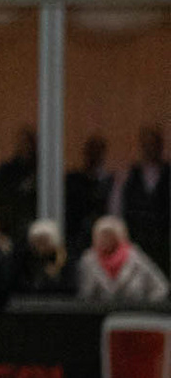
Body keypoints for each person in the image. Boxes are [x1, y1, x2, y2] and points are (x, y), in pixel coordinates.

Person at [78, 215, 170, 304]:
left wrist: (147, 308)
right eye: (101, 235)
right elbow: (84, 295)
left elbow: (161, 287)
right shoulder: (88, 260)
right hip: (101, 316)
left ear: (117, 236)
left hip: (132, 315)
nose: (104, 239)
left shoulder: (135, 258)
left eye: (108, 235)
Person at [116, 126, 169, 266]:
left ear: (160, 146)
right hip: (136, 238)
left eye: (154, 144)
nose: (151, 149)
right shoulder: (130, 174)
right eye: (147, 145)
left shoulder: (168, 174)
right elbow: (117, 206)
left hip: (164, 241)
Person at [65, 136, 116, 256]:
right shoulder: (73, 181)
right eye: (92, 152)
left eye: (98, 152)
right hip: (77, 238)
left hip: (101, 239)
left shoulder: (109, 182)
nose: (95, 156)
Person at [15, 219, 74, 295]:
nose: (40, 246)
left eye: (44, 241)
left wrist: (55, 272)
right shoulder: (26, 259)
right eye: (37, 241)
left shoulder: (65, 259)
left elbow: (70, 288)